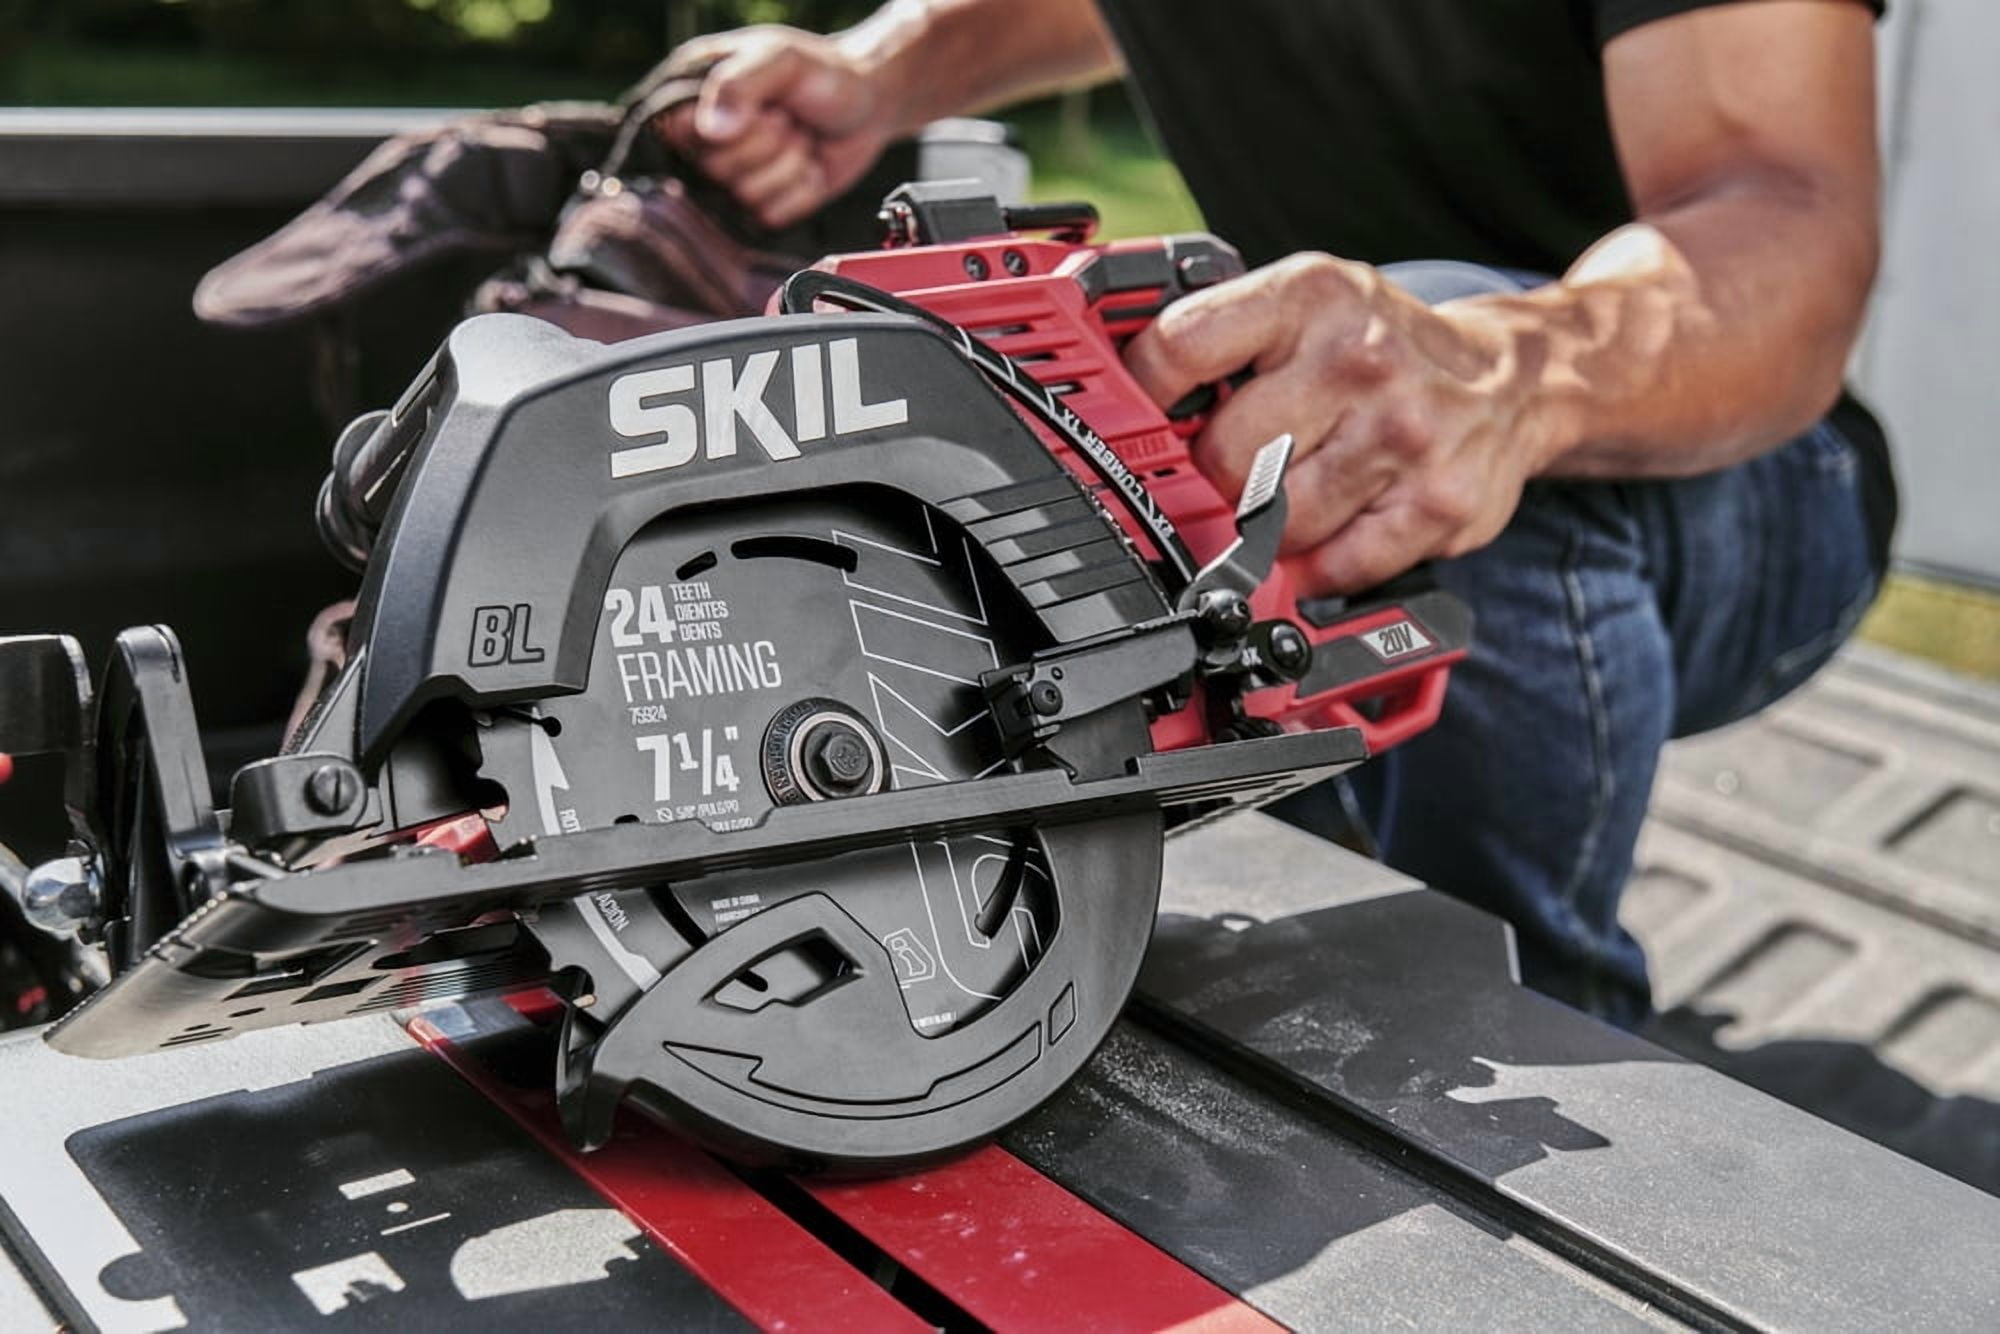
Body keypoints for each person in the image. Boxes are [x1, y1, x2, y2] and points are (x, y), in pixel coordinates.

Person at [655, 0, 1894, 1025]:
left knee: (1381, 431)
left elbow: (1784, 215)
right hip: (1321, 420)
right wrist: (882, 73)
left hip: (1741, 452)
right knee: (1281, 430)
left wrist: (1507, 371)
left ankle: (1543, 1028)